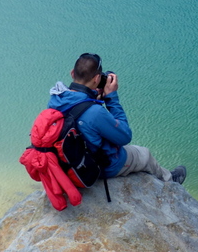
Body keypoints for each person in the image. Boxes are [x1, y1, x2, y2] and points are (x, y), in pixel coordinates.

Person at [48, 53, 186, 185]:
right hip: (99, 166)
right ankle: (170, 180)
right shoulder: (94, 112)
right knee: (144, 154)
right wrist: (111, 98)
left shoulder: (56, 99)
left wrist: (91, 98)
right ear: (97, 79)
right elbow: (125, 136)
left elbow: (79, 116)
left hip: (69, 161)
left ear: (72, 73)